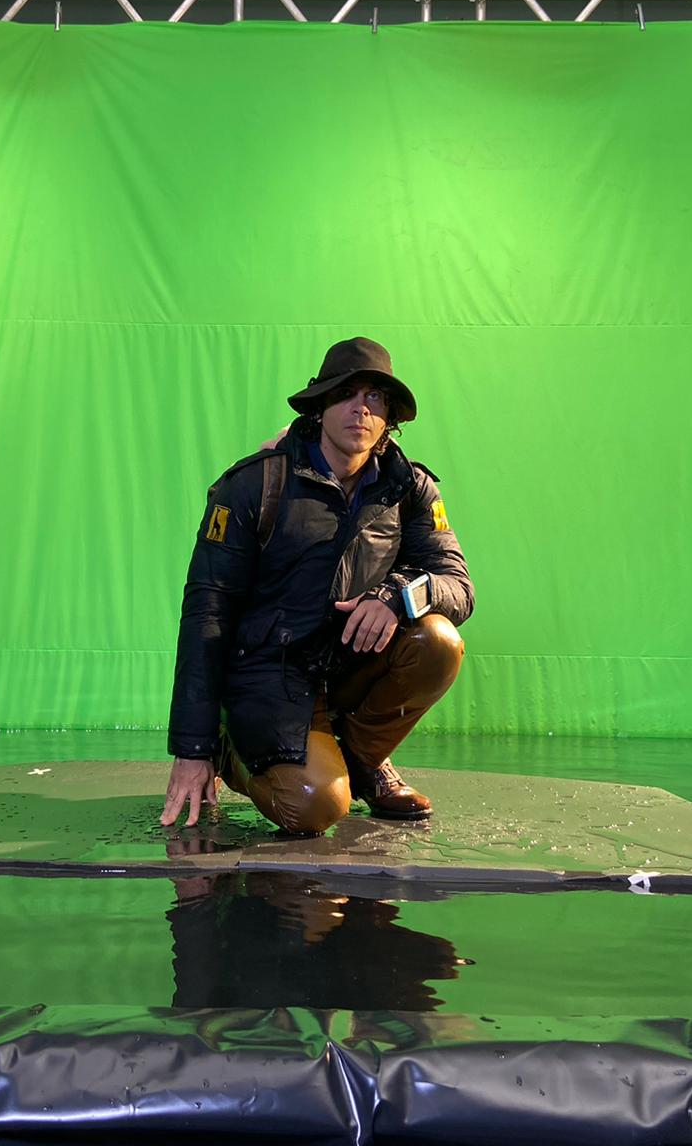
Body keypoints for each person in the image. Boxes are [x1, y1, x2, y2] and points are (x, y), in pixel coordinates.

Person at [162, 337, 474, 835]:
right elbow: (207, 615)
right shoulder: (253, 485)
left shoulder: (408, 487)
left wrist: (397, 596)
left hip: (349, 669)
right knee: (313, 808)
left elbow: (455, 584)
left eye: (375, 398)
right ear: (321, 404)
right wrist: (193, 748)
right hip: (269, 680)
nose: (361, 409)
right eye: (346, 394)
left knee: (438, 641)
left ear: (389, 415)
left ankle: (364, 763)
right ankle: (231, 753)